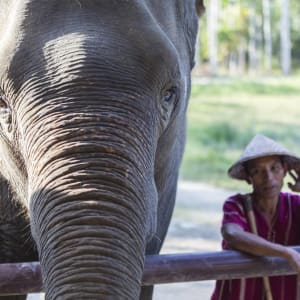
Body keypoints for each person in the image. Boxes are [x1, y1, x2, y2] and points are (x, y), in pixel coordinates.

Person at [211, 134, 300, 300]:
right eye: (258, 171)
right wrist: (286, 253)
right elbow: (232, 234)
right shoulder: (237, 205)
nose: (268, 178)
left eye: (275, 168)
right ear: (248, 177)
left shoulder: (296, 205)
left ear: (285, 170)